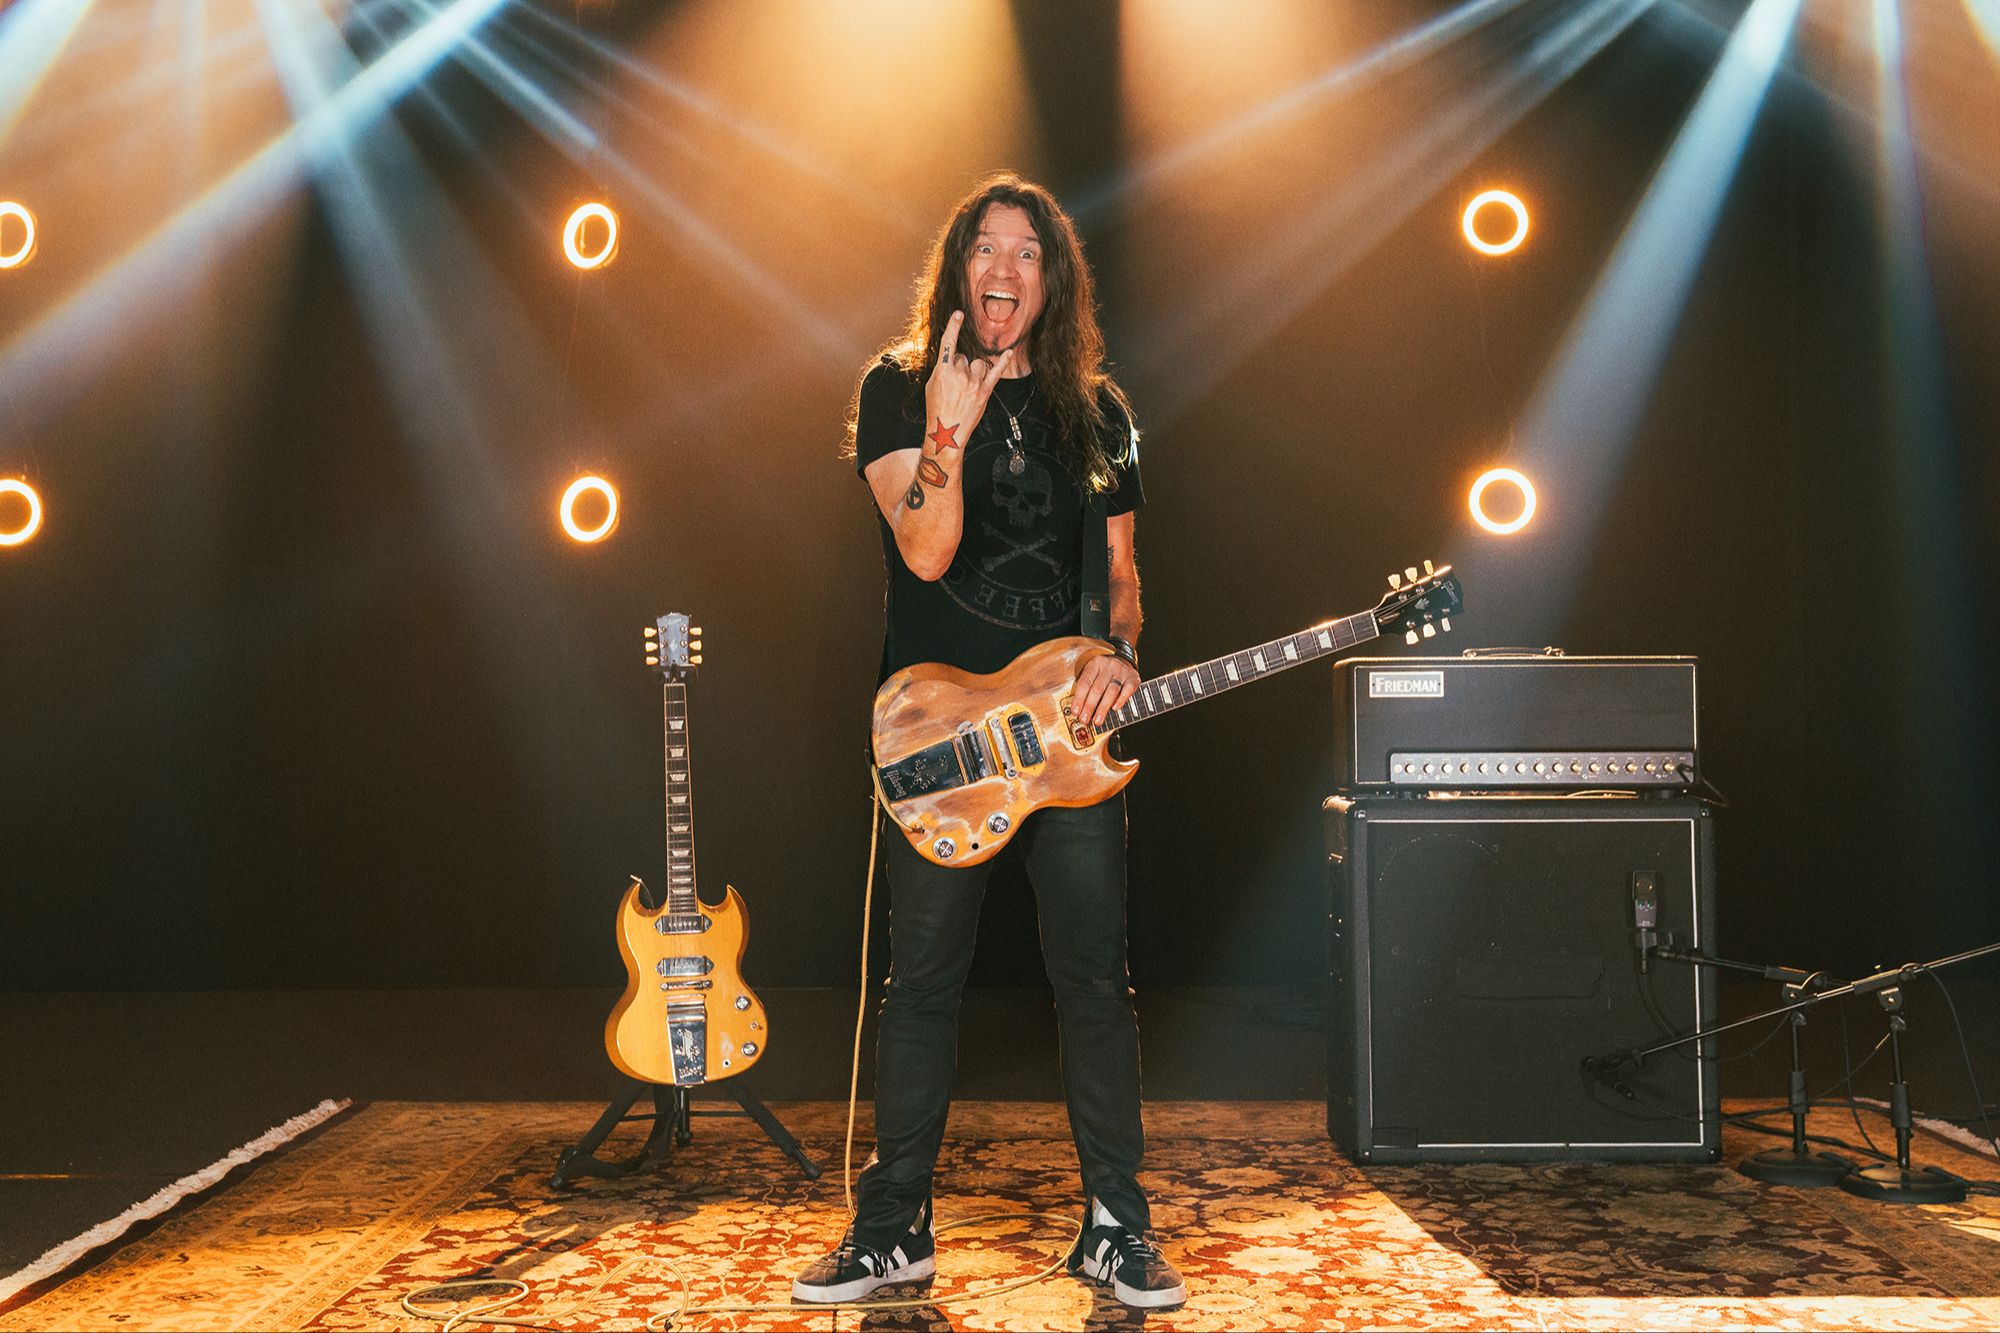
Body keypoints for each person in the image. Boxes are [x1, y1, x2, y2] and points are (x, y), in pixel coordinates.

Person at [792, 174, 1185, 1311]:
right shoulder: (897, 386)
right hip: (936, 736)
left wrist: (1118, 652)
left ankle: (1116, 1226)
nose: (1004, 267)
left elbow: (1121, 577)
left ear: (1050, 280)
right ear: (958, 270)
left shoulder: (1097, 415)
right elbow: (924, 552)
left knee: (1093, 981)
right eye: (985, 247)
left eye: (1026, 251)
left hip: (1069, 739)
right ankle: (891, 1231)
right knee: (920, 983)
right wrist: (948, 434)